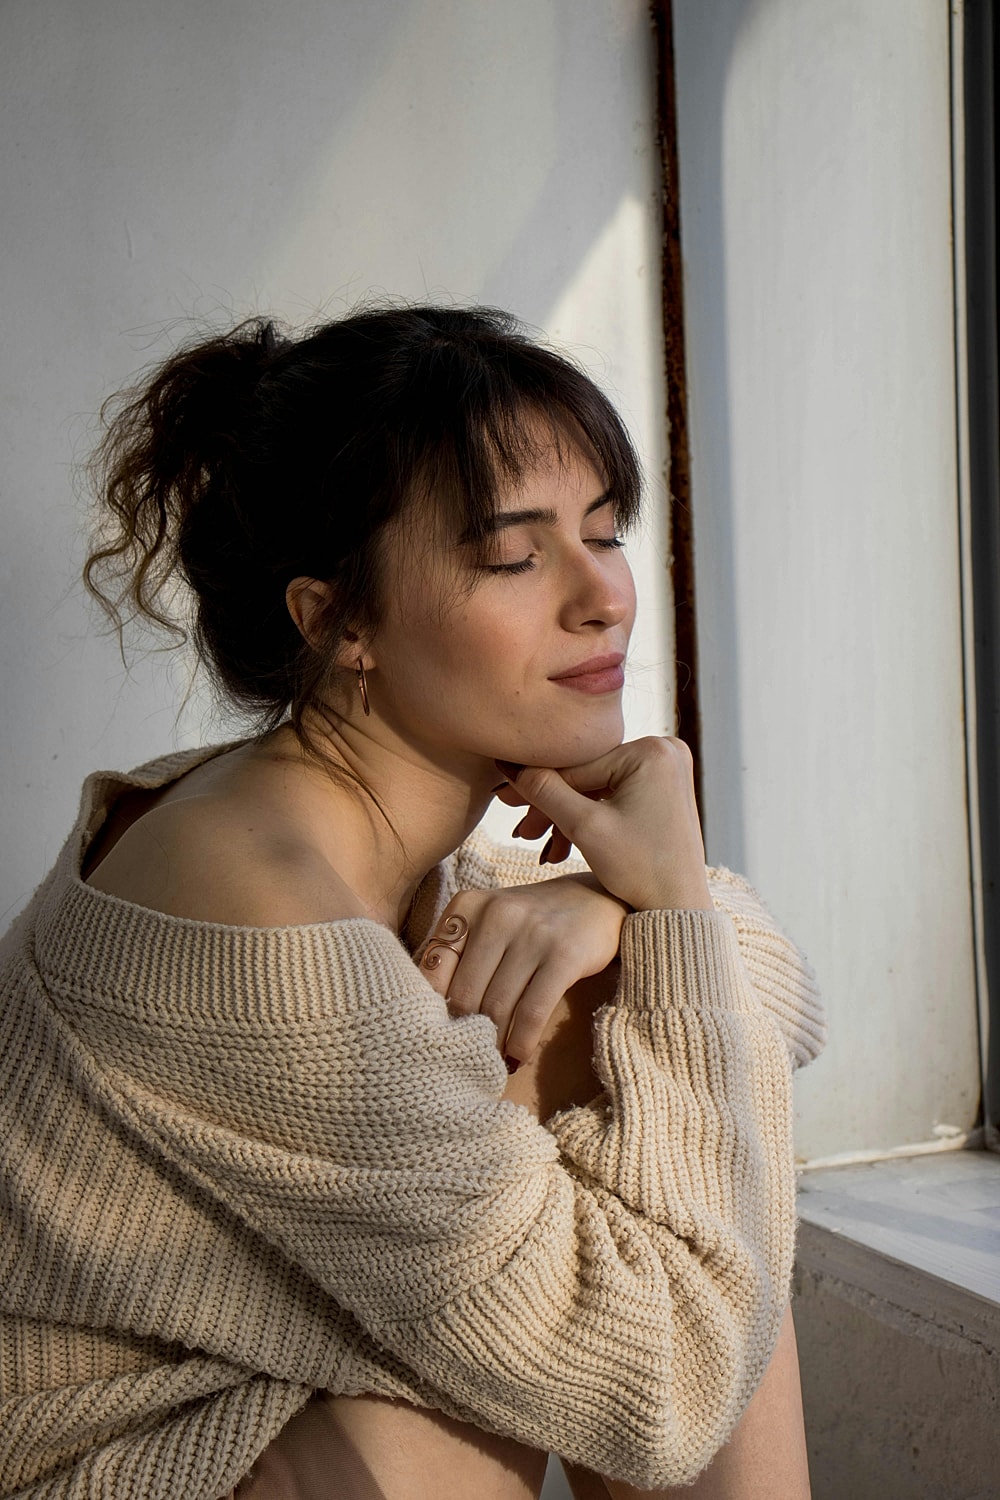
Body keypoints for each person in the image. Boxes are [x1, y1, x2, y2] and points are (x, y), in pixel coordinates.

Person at [0, 305, 826, 1500]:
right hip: (97, 1466)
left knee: (665, 1118)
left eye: (604, 531)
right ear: (338, 621)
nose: (603, 597)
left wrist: (636, 904)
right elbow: (665, 1388)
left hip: (232, 1402)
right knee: (651, 1258)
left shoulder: (343, 828)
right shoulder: (261, 911)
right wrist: (670, 925)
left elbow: (790, 1005)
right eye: (515, 556)